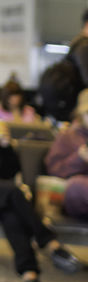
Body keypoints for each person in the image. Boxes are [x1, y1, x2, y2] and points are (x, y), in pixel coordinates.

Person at [0, 82, 83, 282]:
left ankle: (31, 278)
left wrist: (5, 146)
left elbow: (6, 171)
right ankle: (49, 242)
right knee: (13, 193)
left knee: (12, 216)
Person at [45, 88, 88, 220]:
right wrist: (80, 158)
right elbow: (54, 169)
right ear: (81, 114)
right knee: (76, 185)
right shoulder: (67, 136)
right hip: (76, 189)